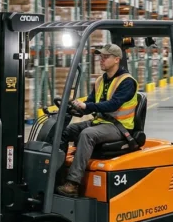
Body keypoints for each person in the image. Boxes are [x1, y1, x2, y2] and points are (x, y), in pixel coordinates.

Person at [56, 43, 139, 197]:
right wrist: (78, 107)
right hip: (101, 122)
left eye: (105, 57)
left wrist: (87, 105)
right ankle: (57, 175)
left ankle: (73, 184)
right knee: (65, 131)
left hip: (119, 127)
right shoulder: (101, 80)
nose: (101, 60)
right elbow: (91, 102)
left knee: (87, 134)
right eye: (100, 57)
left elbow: (113, 104)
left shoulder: (127, 81)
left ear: (116, 59)